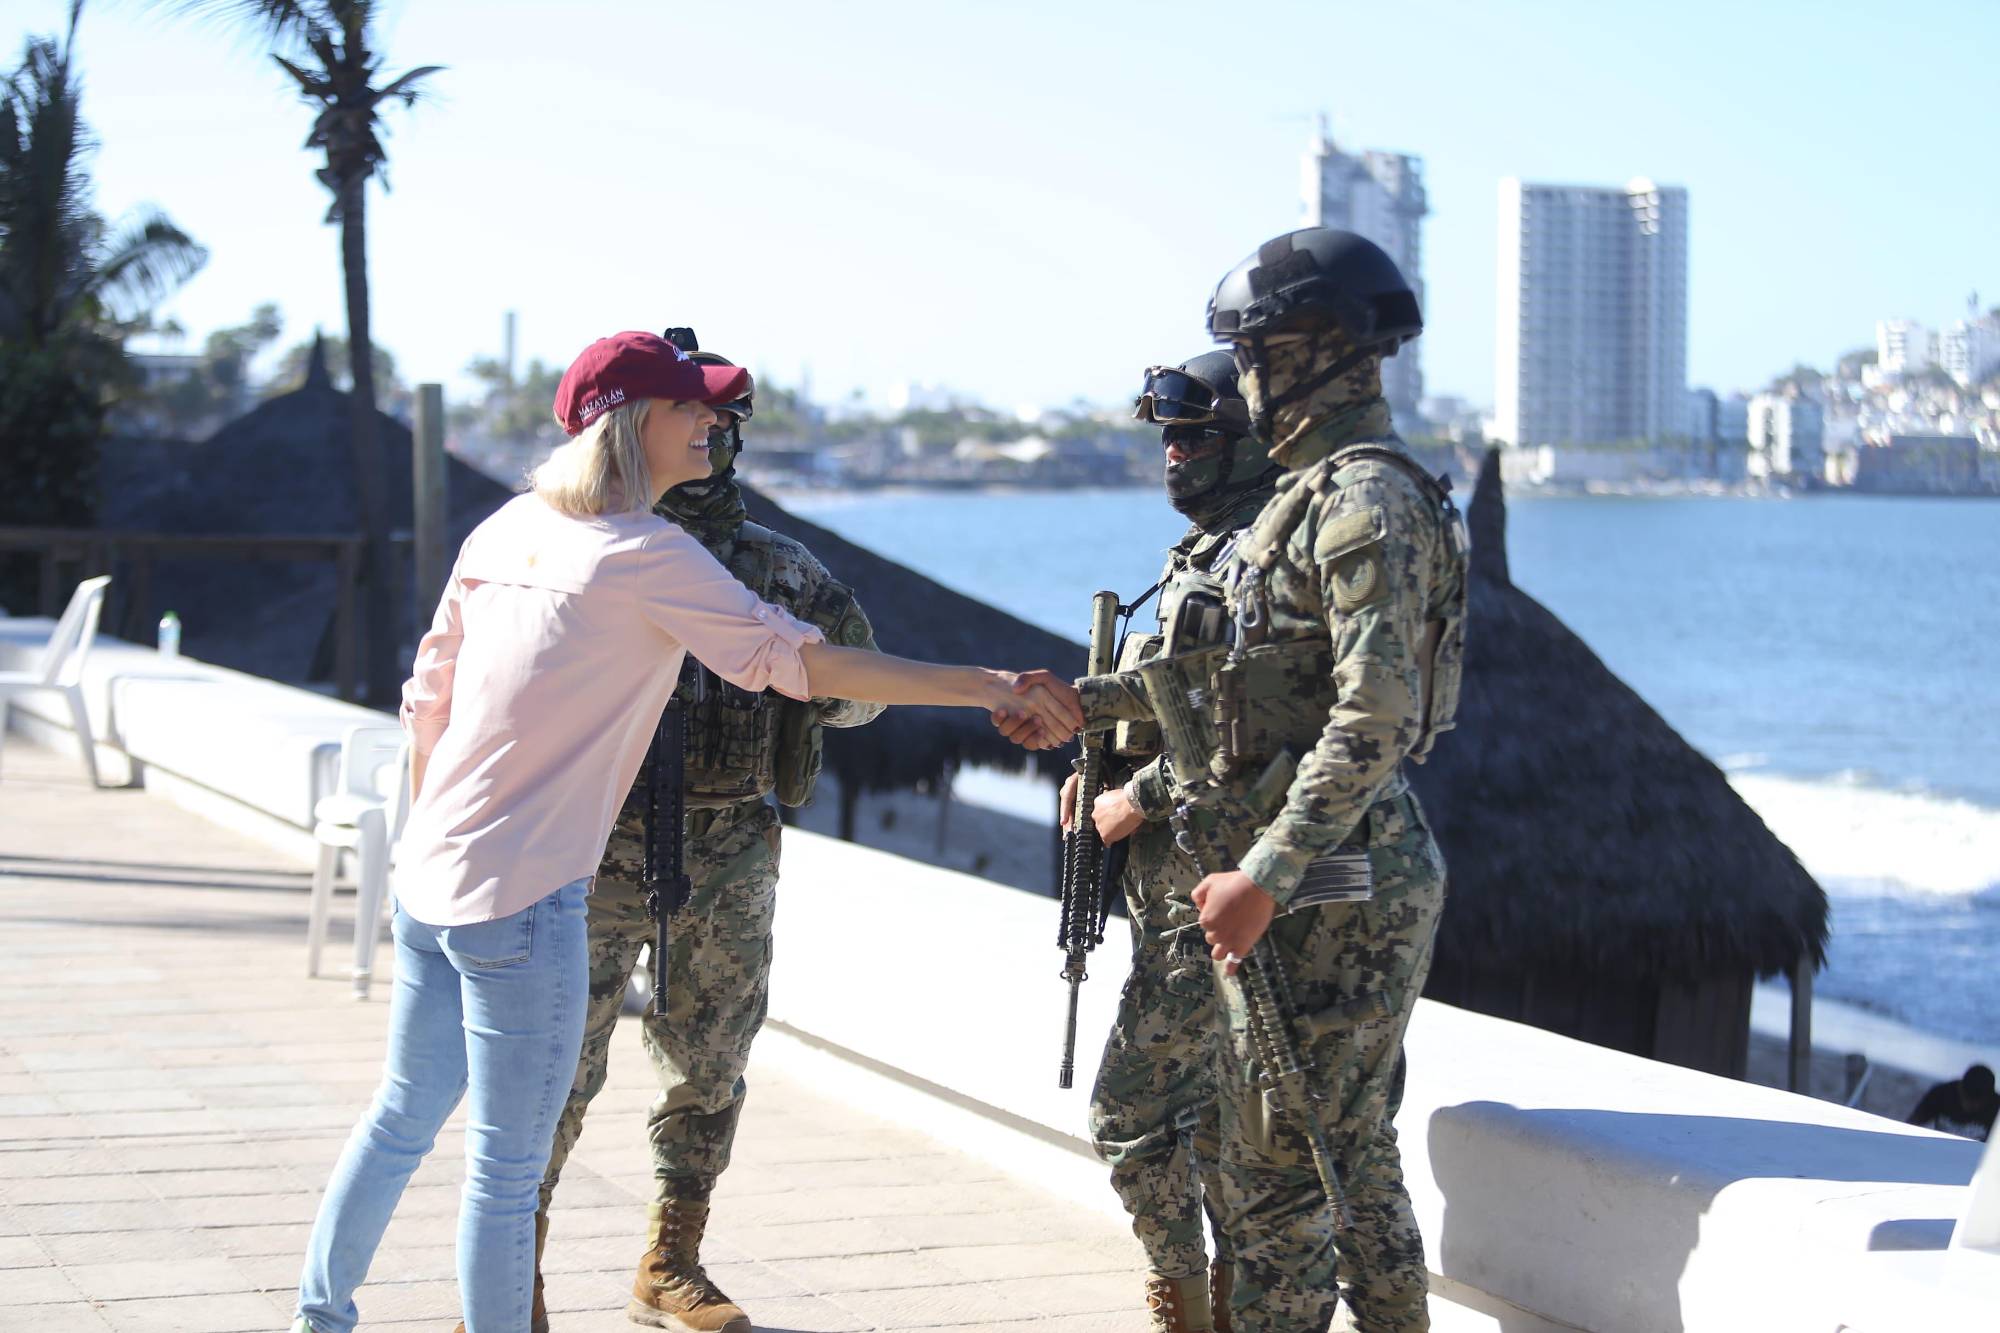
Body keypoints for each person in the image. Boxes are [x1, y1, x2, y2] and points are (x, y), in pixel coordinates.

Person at [290, 331, 1081, 1333]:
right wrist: (987, 684)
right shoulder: (645, 554)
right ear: (631, 425)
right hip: (526, 898)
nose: (712, 421)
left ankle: (318, 1318)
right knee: (505, 1171)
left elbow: (426, 705)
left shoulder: (504, 529)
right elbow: (802, 663)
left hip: (432, 879)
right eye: (687, 406)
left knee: (400, 1118)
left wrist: (437, 844)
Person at [1066, 230, 1467, 1332]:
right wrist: (1074, 704)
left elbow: (1373, 718)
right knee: (1323, 1156)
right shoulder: (1311, 497)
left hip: (1334, 882)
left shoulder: (1363, 501)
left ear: (1309, 353)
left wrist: (1266, 873)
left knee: (1279, 1179)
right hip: (1308, 876)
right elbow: (1231, 688)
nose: (1242, 384)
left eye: (1251, 357)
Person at [513, 328, 887, 1333]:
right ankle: (513, 1272)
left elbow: (863, 693)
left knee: (710, 1059)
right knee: (553, 1064)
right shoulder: (583, 545)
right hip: (592, 845)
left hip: (726, 849)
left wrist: (791, 670)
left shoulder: (778, 566)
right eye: (693, 413)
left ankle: (670, 1260)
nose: (710, 433)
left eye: (723, 419)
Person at [1065, 352, 1281, 1332]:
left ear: (1246, 443)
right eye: (1167, 438)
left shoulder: (1257, 559)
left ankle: (1189, 1309)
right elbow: (1172, 698)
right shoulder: (1199, 554)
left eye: (1195, 437)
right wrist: (1097, 759)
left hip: (1217, 890)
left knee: (1129, 1115)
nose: (1174, 453)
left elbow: (1250, 731)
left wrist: (1135, 798)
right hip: (1176, 895)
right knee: (1211, 1126)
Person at [1908, 1063, 1998, 1141]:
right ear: (1960, 1089)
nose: (1975, 1105)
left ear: (1989, 1098)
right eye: (1969, 1100)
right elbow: (1912, 1124)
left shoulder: (1996, 1109)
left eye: (1980, 1101)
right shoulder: (1941, 1095)